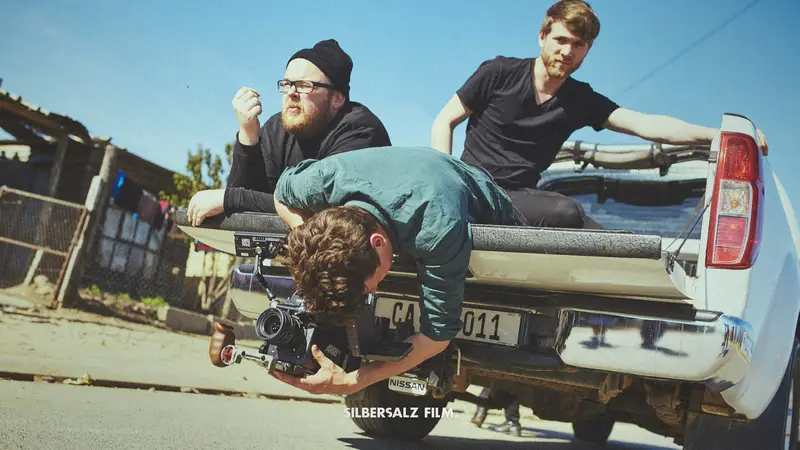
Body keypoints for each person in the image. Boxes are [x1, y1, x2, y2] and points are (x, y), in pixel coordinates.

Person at [430, 0, 768, 230]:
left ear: (587, 50)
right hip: (472, 189)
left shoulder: (579, 99)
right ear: (542, 36)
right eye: (560, 39)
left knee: (609, 240)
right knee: (567, 211)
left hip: (518, 199)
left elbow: (644, 124)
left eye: (578, 45)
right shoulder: (499, 72)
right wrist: (445, 188)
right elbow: (445, 120)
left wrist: (717, 134)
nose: (566, 51)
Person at [266, 146, 527, 396]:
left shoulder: (436, 226)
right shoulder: (324, 179)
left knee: (564, 212)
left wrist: (354, 382)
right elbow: (281, 192)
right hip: (415, 183)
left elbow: (436, 337)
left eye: (369, 286)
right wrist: (309, 238)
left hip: (484, 199)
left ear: (377, 243)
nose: (375, 290)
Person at [186, 39, 391, 227]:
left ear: (336, 99)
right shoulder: (278, 128)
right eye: (287, 84)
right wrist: (248, 136)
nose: (291, 93)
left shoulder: (360, 130)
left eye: (304, 85)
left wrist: (230, 199)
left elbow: (326, 215)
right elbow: (242, 213)